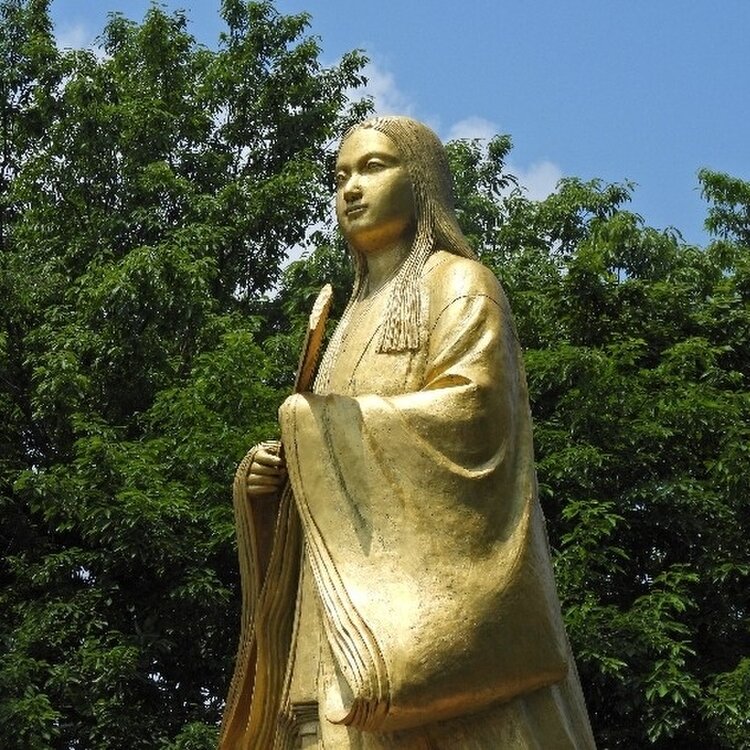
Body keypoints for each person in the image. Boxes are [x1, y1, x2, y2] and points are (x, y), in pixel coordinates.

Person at [219, 116, 596, 749]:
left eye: (373, 167)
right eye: (340, 175)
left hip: (406, 618)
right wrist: (271, 477)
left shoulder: (458, 284)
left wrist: (317, 431)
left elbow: (476, 420)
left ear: (420, 180)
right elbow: (316, 460)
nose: (350, 188)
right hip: (329, 611)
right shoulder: (348, 315)